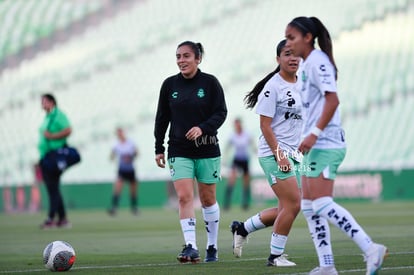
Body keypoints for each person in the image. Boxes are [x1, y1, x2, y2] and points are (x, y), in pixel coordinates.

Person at [285, 16, 388, 275]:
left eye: (292, 37)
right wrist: (307, 136)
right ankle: (327, 266)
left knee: (321, 203)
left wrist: (314, 134)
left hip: (326, 143)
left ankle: (370, 248)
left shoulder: (318, 61)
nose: (288, 43)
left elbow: (333, 100)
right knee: (309, 206)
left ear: (308, 37)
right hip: (315, 145)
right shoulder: (309, 64)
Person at [154, 41, 227, 263]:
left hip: (207, 148)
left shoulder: (211, 83)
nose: (181, 61)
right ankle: (191, 247)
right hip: (179, 149)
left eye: (186, 56)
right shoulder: (169, 85)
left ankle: (212, 246)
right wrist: (159, 147)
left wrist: (202, 128)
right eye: (178, 56)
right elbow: (162, 118)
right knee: (185, 197)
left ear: (198, 58)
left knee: (207, 199)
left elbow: (221, 113)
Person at [231, 39, 302, 267]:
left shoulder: (302, 84)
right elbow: (265, 126)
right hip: (274, 154)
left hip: (294, 155)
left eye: (296, 54)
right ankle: (274, 256)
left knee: (285, 208)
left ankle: (242, 228)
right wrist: (280, 154)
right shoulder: (273, 87)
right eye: (287, 54)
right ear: (278, 59)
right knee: (294, 204)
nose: (292, 58)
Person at [38, 93, 72, 229]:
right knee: (53, 187)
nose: (42, 104)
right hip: (47, 156)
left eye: (44, 102)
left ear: (52, 102)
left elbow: (68, 130)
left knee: (52, 187)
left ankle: (51, 218)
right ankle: (62, 219)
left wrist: (52, 136)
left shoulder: (58, 115)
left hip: (53, 157)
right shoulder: (48, 117)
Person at [223, 118, 254, 211]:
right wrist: (225, 159)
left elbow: (252, 144)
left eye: (238, 124)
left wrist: (256, 151)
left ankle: (245, 204)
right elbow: (227, 147)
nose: (237, 126)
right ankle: (226, 204)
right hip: (236, 160)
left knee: (246, 182)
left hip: (245, 160)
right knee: (231, 180)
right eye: (235, 124)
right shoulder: (232, 135)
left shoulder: (247, 134)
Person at [108, 127, 139, 216]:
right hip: (121, 170)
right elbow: (111, 156)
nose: (120, 134)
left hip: (130, 169)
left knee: (133, 190)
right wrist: (113, 157)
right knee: (117, 188)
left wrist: (131, 157)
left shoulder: (131, 142)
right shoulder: (116, 145)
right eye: (118, 133)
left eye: (121, 132)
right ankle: (114, 207)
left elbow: (137, 153)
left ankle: (134, 208)